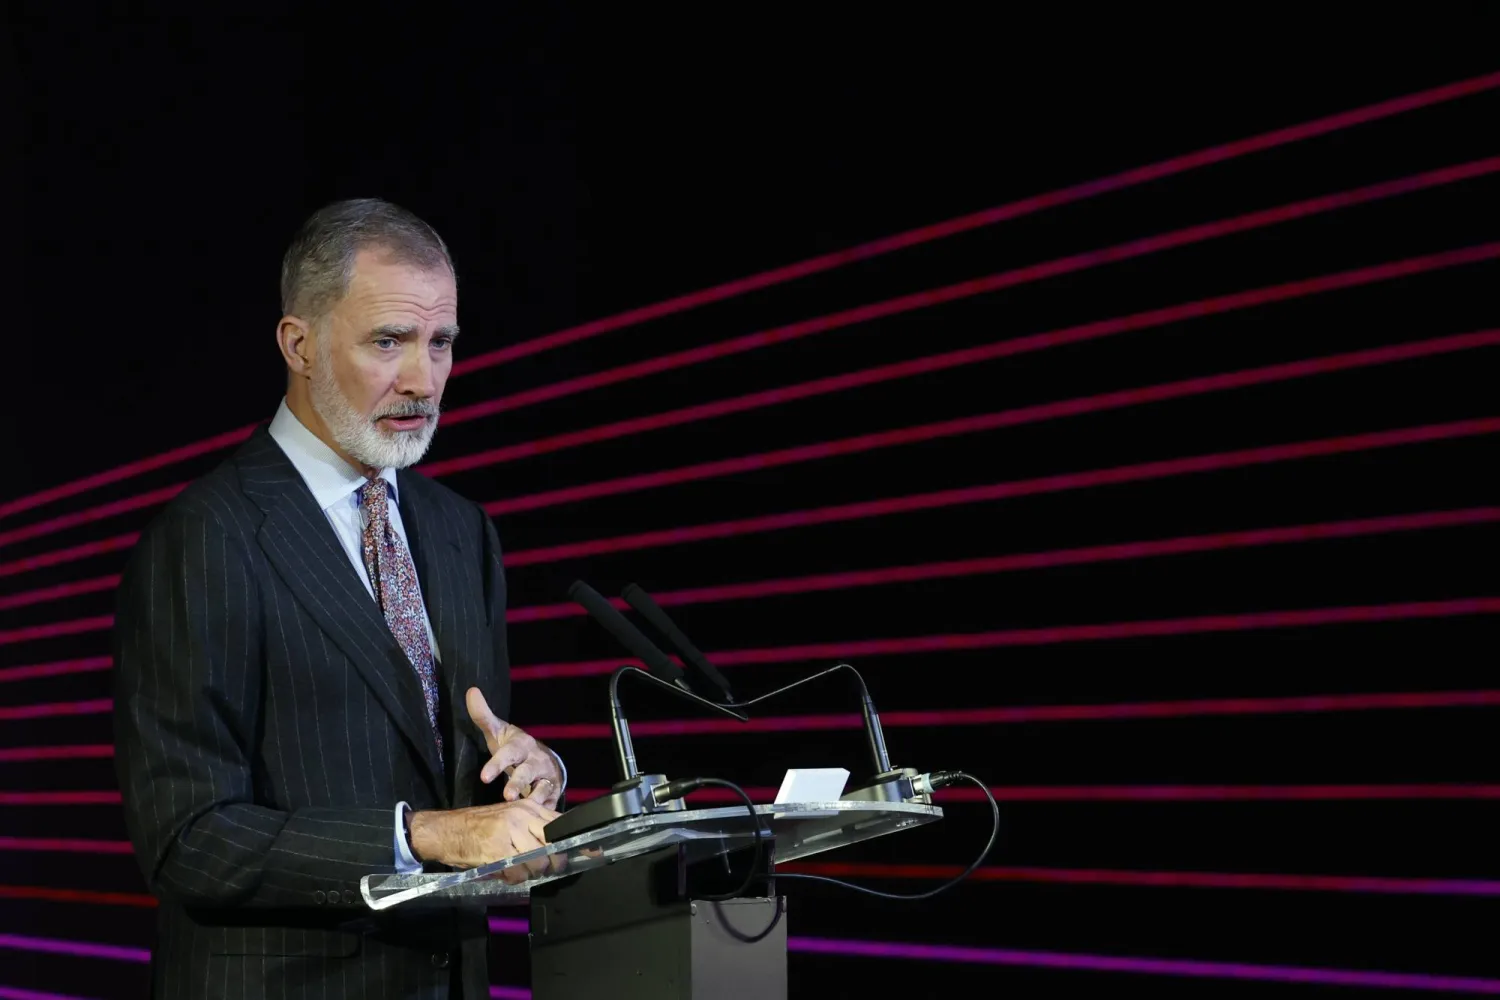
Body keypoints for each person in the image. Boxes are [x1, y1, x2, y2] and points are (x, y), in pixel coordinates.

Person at [113, 198, 565, 1000]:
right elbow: (187, 840)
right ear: (299, 344)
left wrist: (530, 774)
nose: (423, 380)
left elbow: (451, 773)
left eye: (441, 343)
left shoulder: (463, 532)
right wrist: (420, 835)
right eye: (388, 341)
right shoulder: (207, 537)